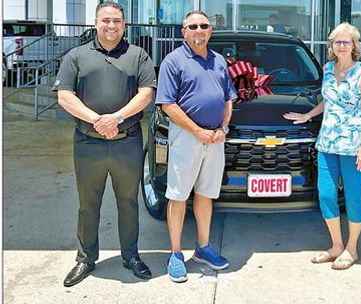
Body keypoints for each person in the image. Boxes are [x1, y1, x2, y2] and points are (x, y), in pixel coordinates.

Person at [54, 2, 156, 287]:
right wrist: (98, 120)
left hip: (128, 143)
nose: (112, 26)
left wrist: (118, 118)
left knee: (128, 202)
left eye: (117, 21)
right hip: (88, 144)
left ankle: (131, 256)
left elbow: (146, 94)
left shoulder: (138, 55)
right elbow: (64, 96)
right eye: (106, 20)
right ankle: (85, 259)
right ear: (96, 22)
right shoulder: (76, 56)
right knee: (88, 205)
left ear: (124, 24)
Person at [283, 22, 361, 270]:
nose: (342, 46)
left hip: (354, 144)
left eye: (347, 42)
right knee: (326, 194)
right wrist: (308, 116)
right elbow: (329, 100)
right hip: (327, 143)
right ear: (332, 46)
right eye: (338, 42)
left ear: (354, 45)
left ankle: (351, 249)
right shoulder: (327, 68)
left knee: (354, 197)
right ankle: (336, 245)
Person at [155, 10, 238, 283]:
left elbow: (228, 97)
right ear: (184, 31)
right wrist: (198, 131)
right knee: (178, 195)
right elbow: (167, 105)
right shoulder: (173, 61)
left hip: (215, 139)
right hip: (187, 137)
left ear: (210, 30)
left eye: (204, 25)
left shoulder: (219, 61)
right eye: (193, 26)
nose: (199, 30)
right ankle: (176, 254)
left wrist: (223, 128)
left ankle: (203, 249)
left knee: (205, 195)